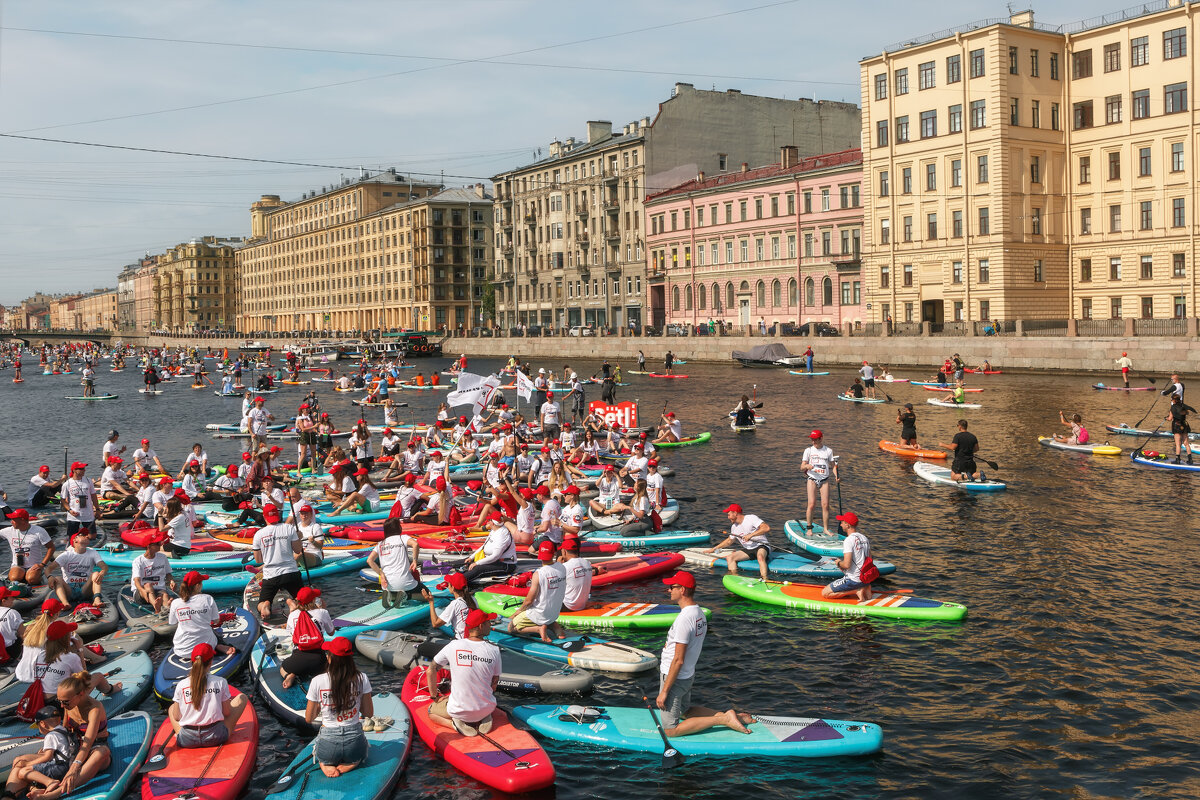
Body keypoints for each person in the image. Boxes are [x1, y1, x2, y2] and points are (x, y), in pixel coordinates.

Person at [656, 571, 751, 737]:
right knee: (685, 710)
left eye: (672, 587)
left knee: (671, 730)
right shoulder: (698, 613)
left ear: (683, 590)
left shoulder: (685, 619)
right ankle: (726, 716)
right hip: (687, 676)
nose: (669, 590)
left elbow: (678, 660)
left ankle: (724, 720)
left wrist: (664, 691)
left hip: (674, 677)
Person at [426, 609, 502, 735]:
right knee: (484, 697)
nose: (491, 624)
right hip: (487, 707)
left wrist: (435, 697)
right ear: (481, 626)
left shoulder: (453, 645)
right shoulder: (494, 650)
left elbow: (431, 670)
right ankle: (484, 716)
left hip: (459, 710)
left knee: (430, 712)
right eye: (489, 622)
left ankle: (454, 725)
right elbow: (494, 684)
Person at [305, 637, 374, 778]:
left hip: (328, 744)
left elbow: (308, 718)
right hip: (354, 743)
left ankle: (325, 763)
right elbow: (368, 713)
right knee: (358, 753)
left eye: (327, 653)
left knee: (322, 753)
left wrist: (321, 705)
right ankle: (352, 763)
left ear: (330, 658)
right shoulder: (362, 678)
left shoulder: (317, 681)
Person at [2, 702, 76, 799]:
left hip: (59, 767)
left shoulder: (51, 736)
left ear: (42, 724)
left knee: (23, 771)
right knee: (22, 765)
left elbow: (47, 757)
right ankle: (34, 787)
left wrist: (28, 764)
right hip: (67, 763)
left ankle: (49, 782)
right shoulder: (62, 729)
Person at [252, 504, 305, 619]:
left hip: (271, 575)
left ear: (264, 517)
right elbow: (298, 550)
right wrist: (299, 537)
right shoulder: (289, 528)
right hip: (291, 573)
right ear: (278, 515)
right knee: (303, 601)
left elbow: (258, 560)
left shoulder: (258, 534)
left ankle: (265, 605)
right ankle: (293, 603)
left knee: (260, 604)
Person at [509, 541, 566, 643]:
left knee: (511, 628)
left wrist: (519, 611)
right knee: (547, 615)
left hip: (540, 613)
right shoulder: (562, 567)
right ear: (553, 553)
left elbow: (529, 600)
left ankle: (538, 629)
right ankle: (555, 627)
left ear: (539, 554)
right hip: (554, 613)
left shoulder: (539, 574)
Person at [170, 571, 235, 659]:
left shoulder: (175, 603)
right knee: (211, 630)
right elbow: (216, 621)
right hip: (206, 648)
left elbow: (172, 623)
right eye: (201, 583)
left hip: (181, 650)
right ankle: (218, 645)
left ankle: (214, 645)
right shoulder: (207, 598)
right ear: (197, 586)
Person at [280, 587, 335, 688]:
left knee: (282, 668)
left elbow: (291, 635)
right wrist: (323, 609)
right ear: (313, 600)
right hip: (318, 660)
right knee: (329, 660)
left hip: (298, 659)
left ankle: (291, 675)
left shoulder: (292, 615)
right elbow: (331, 633)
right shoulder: (322, 612)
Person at [367, 518, 427, 608]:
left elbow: (369, 560)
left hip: (387, 585)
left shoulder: (380, 544)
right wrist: (415, 560)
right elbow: (415, 544)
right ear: (398, 528)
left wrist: (381, 574)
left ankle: (392, 597)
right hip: (404, 583)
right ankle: (406, 596)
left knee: (395, 589)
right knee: (428, 595)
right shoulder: (402, 538)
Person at [705, 504, 771, 581]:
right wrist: (714, 549)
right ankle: (735, 579)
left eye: (729, 515)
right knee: (730, 558)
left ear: (735, 513)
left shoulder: (751, 518)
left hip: (762, 545)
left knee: (760, 557)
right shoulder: (734, 527)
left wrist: (751, 535)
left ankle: (765, 580)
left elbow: (766, 528)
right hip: (749, 549)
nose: (728, 517)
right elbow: (729, 541)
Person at [821, 512, 876, 601]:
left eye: (842, 522)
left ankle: (856, 590)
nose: (841, 524)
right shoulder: (864, 538)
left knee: (825, 593)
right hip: (865, 579)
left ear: (848, 525)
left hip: (854, 580)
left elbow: (846, 565)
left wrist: (838, 563)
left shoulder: (848, 540)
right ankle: (865, 586)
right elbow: (870, 560)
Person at [48, 533, 105, 607]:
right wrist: (49, 577)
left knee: (96, 574)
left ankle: (97, 600)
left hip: (85, 588)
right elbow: (48, 569)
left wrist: (102, 572)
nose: (87, 536)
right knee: (57, 578)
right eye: (83, 535)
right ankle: (65, 603)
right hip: (69, 589)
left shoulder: (93, 553)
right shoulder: (66, 555)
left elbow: (104, 566)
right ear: (75, 540)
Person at [1, 509, 55, 585]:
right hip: (17, 565)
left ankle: (38, 578)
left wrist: (42, 564)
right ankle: (21, 579)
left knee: (31, 579)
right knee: (14, 578)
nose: (11, 522)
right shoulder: (8, 531)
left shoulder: (39, 531)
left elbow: (51, 548)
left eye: (13, 520)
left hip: (34, 566)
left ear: (22, 520)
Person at [800, 430, 839, 534]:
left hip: (824, 480)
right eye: (812, 439)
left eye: (815, 440)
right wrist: (807, 466)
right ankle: (809, 528)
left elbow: (833, 466)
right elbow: (801, 467)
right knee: (811, 504)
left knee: (825, 505)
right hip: (812, 479)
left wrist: (837, 476)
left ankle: (825, 529)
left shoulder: (828, 451)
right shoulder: (808, 451)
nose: (813, 442)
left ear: (821, 439)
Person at [462, 519, 519, 586]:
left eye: (489, 520)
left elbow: (495, 556)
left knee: (477, 568)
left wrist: (477, 563)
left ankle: (456, 583)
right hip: (494, 560)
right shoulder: (494, 530)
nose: (488, 522)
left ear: (493, 523)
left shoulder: (503, 535)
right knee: (466, 561)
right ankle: (449, 569)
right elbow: (484, 546)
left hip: (506, 565)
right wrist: (471, 557)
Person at [131, 531, 175, 612]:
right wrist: (142, 590)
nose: (160, 545)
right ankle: (156, 606)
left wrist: (171, 581)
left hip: (159, 589)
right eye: (157, 544)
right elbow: (136, 580)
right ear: (149, 546)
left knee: (164, 595)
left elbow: (168, 573)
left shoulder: (163, 557)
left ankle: (166, 609)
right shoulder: (138, 561)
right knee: (148, 585)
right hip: (143, 592)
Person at [60, 462, 98, 540]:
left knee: (92, 536)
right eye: (81, 469)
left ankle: (83, 539)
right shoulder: (67, 484)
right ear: (74, 470)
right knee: (72, 537)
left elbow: (93, 495)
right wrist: (70, 510)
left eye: (84, 468)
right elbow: (63, 500)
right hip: (74, 515)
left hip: (88, 514)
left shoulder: (88, 481)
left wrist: (97, 509)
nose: (84, 470)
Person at [559, 536, 593, 612]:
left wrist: (557, 565)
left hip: (568, 606)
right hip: (582, 605)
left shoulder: (564, 567)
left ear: (564, 551)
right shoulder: (587, 563)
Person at [1166, 393, 1197, 464]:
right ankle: (1190, 460)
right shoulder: (1183, 406)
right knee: (1186, 443)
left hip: (1177, 426)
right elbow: (1186, 412)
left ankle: (1177, 460)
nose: (1171, 400)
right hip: (1184, 425)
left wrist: (1166, 418)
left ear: (1174, 400)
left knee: (1178, 444)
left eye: (1172, 399)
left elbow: (1170, 418)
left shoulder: (1173, 407)